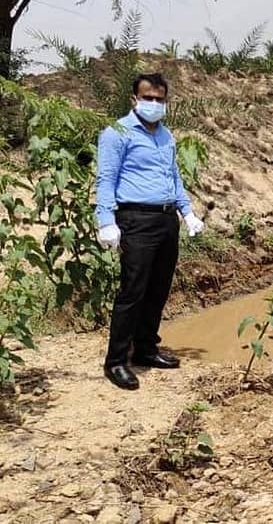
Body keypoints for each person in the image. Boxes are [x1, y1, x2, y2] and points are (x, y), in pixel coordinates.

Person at [95, 73, 205, 390]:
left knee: (158, 288)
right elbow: (106, 179)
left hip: (166, 219)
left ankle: (145, 349)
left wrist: (188, 213)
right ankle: (116, 361)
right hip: (136, 219)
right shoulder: (117, 133)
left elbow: (174, 178)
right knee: (133, 291)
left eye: (159, 99)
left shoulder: (166, 136)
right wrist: (106, 220)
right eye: (148, 98)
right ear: (135, 100)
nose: (154, 104)